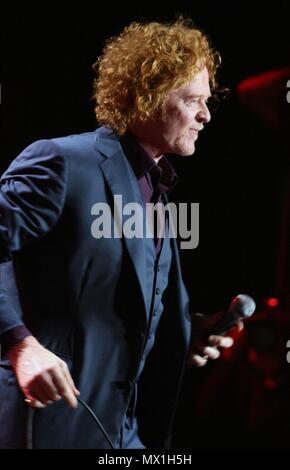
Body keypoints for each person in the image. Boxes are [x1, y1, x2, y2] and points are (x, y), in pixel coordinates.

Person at [0, 18, 235, 449]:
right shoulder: (63, 162)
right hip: (44, 428)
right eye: (192, 101)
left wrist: (182, 334)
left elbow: (119, 311)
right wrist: (18, 343)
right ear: (147, 98)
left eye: (206, 102)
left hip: (118, 433)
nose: (205, 115)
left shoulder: (157, 193)